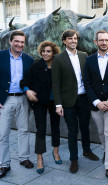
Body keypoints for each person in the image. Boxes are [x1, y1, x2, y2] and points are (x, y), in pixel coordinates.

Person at [52, 29, 99, 174]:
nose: (73, 41)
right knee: (72, 131)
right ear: (64, 41)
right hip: (68, 101)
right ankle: (74, 159)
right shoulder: (58, 59)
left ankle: (87, 150)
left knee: (85, 127)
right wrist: (58, 104)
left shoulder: (84, 56)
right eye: (70, 39)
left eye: (75, 39)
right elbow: (56, 83)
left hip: (84, 99)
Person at [83, 30, 108, 184]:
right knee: (101, 132)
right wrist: (96, 102)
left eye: (106, 40)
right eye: (101, 40)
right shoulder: (90, 60)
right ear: (95, 42)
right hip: (96, 105)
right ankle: (106, 151)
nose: (104, 43)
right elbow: (86, 82)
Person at [20, 41, 62, 174]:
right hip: (39, 102)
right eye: (43, 51)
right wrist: (28, 91)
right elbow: (24, 81)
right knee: (41, 130)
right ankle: (39, 158)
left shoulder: (58, 65)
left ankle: (55, 152)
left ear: (54, 52)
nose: (45, 53)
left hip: (55, 102)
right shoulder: (36, 65)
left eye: (48, 51)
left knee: (55, 127)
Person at [0, 31, 34, 178]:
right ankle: (3, 164)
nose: (20, 44)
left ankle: (24, 158)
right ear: (10, 41)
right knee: (3, 134)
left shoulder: (29, 60)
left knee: (24, 130)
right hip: (5, 100)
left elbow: (32, 80)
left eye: (22, 42)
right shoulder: (0, 56)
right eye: (17, 41)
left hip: (23, 99)